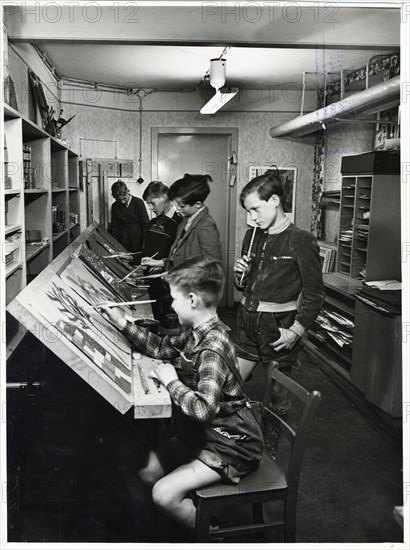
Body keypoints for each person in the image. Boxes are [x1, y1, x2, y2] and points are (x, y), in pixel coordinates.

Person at [101, 257, 263, 531]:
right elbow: (161, 347)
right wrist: (122, 323)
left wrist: (172, 381)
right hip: (205, 434)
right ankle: (188, 516)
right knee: (148, 470)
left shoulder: (211, 349)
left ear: (191, 301)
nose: (171, 305)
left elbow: (203, 410)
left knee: (162, 494)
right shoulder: (197, 332)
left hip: (231, 445)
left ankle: (213, 534)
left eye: (174, 299)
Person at [233, 170, 324, 412]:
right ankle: (234, 442)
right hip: (246, 319)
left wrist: (296, 330)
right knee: (230, 387)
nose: (252, 218)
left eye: (256, 209)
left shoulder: (302, 240)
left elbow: (315, 295)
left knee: (278, 398)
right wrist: (241, 276)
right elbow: (243, 286)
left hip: (278, 325)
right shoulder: (251, 236)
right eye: (248, 212)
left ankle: (272, 448)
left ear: (274, 201)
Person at [140, 181, 182, 329]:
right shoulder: (152, 224)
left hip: (171, 289)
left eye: (152, 203)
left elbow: (182, 260)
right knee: (155, 325)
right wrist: (132, 257)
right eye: (148, 204)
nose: (150, 208)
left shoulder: (180, 224)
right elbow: (147, 253)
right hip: (152, 287)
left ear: (164, 197)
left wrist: (161, 265)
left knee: (171, 329)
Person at [167, 174, 222, 270]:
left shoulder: (206, 225)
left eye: (182, 206)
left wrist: (178, 276)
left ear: (197, 204)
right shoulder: (186, 220)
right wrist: (163, 264)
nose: (178, 209)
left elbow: (212, 267)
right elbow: (182, 256)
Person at [110, 180, 149, 253]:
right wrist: (114, 245)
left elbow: (145, 225)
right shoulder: (115, 206)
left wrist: (145, 244)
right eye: (119, 200)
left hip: (138, 242)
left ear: (127, 192)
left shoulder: (138, 203)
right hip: (122, 243)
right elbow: (114, 227)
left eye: (124, 198)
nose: (122, 202)